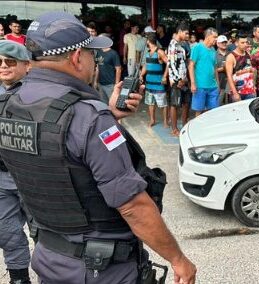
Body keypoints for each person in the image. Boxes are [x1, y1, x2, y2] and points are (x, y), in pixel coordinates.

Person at [5, 12, 196, 283]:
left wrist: (106, 116)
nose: (94, 61)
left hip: (49, 258)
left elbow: (50, 154)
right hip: (101, 269)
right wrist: (179, 260)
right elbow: (132, 206)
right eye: (91, 54)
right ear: (75, 57)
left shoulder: (8, 105)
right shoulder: (89, 119)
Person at [0, 40, 31, 284]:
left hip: (33, 177)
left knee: (46, 234)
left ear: (26, 65)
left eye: (10, 61)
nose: (3, 66)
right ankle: (19, 278)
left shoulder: (39, 92)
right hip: (1, 178)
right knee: (8, 233)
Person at [189, 27, 219, 116]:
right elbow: (191, 66)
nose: (216, 39)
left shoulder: (213, 50)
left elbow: (215, 67)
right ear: (208, 36)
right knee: (199, 111)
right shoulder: (197, 47)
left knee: (212, 112)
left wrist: (217, 84)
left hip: (213, 86)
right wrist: (193, 83)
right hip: (200, 86)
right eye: (215, 37)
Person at [167, 23, 191, 136]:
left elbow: (183, 64)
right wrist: (178, 80)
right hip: (177, 81)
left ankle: (184, 125)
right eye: (186, 33)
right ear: (180, 31)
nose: (187, 35)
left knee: (186, 102)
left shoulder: (181, 45)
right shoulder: (173, 45)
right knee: (175, 104)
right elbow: (171, 65)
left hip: (184, 80)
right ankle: (174, 129)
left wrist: (185, 79)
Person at [140, 35, 169, 128]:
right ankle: (152, 120)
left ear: (148, 41)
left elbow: (168, 63)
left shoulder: (159, 52)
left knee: (163, 104)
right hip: (149, 83)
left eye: (146, 41)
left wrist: (165, 76)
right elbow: (146, 65)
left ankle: (165, 121)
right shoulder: (148, 52)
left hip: (158, 83)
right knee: (150, 102)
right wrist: (141, 75)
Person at [225, 33, 255, 102]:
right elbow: (229, 76)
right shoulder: (231, 56)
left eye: (246, 42)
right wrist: (235, 93)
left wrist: (253, 88)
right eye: (242, 42)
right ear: (236, 43)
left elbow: (250, 71)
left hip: (249, 90)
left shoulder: (248, 54)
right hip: (237, 91)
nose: (245, 44)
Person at [95, 33, 122, 103]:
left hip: (110, 84)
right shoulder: (99, 52)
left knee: (112, 104)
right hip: (101, 84)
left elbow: (118, 69)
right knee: (103, 104)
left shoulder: (113, 53)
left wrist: (116, 85)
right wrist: (95, 81)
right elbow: (98, 67)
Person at [216, 35, 229, 105]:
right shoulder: (214, 54)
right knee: (217, 106)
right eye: (222, 42)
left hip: (229, 85)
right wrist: (222, 69)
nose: (224, 44)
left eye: (225, 42)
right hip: (219, 85)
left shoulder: (230, 54)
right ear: (217, 44)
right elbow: (211, 70)